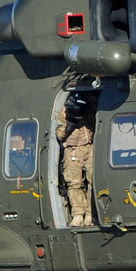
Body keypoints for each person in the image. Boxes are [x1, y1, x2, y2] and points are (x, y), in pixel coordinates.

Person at [55, 94, 95, 227]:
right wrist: (68, 128)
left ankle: (90, 213)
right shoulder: (64, 112)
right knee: (74, 182)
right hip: (73, 150)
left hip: (89, 148)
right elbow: (59, 134)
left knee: (93, 180)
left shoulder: (89, 109)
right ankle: (78, 214)